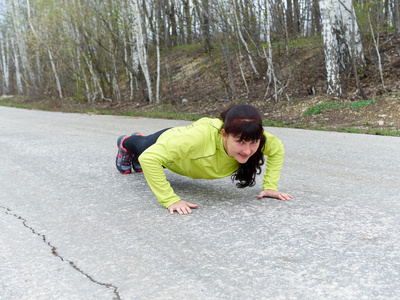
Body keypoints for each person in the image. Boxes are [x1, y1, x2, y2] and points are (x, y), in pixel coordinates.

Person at [116, 104, 292, 215]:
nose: (248, 150)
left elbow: (277, 150)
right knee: (141, 146)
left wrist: (270, 187)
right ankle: (125, 142)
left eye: (254, 142)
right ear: (224, 134)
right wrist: (170, 200)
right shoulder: (196, 139)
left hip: (183, 150)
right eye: (240, 141)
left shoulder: (260, 139)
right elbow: (149, 158)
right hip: (169, 141)